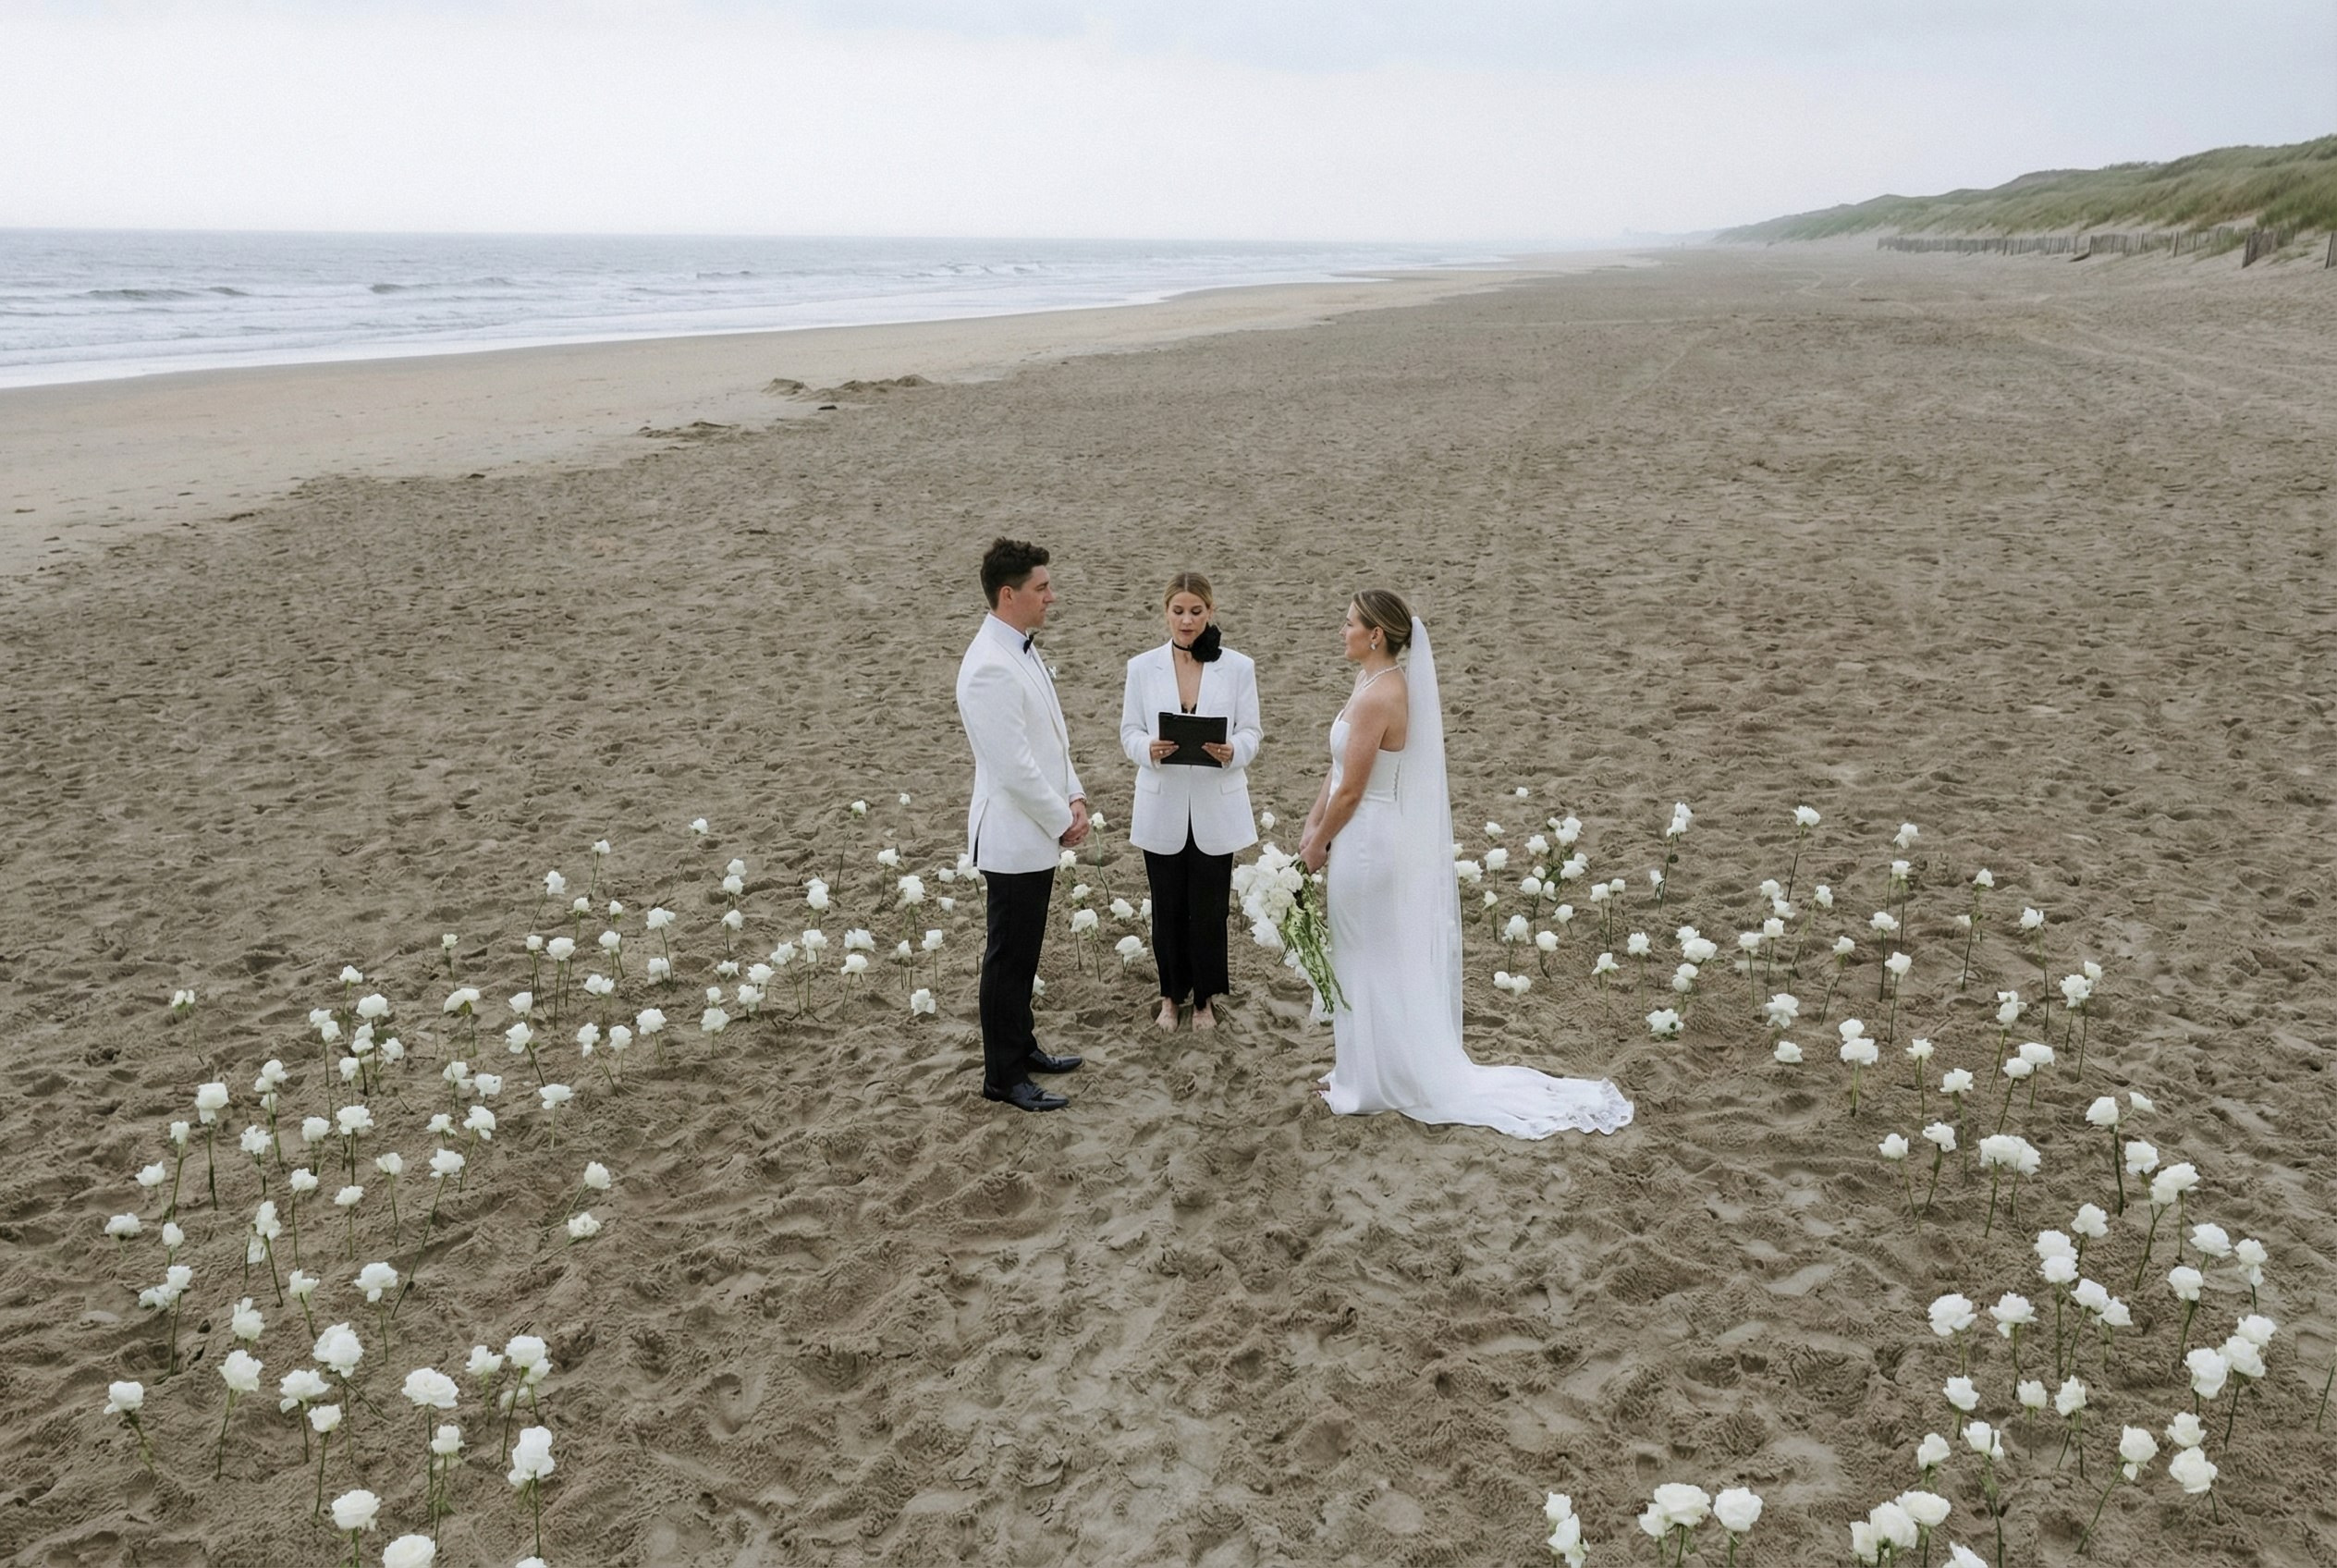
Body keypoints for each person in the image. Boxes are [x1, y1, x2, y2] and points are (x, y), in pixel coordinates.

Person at [1296, 589, 1633, 1140]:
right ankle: (1360, 1071)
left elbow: (1354, 789)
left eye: (1350, 623)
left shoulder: (1381, 695)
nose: (1343, 630)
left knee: (1367, 954)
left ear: (1376, 634)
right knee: (1358, 953)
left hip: (1366, 839)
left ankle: (1371, 1083)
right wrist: (1312, 825)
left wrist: (1317, 846)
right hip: (1352, 832)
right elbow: (1335, 771)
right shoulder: (1368, 682)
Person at [955, 538, 1088, 1113]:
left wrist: (1076, 793)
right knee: (1008, 957)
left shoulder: (1020, 648)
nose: (1050, 598)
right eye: (1042, 589)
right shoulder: (988, 666)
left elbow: (1050, 734)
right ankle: (1002, 1075)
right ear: (1008, 596)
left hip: (1036, 828)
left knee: (1025, 953)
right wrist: (1062, 819)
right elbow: (1013, 767)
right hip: (1013, 834)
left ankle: (1022, 1045)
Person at [1119, 571, 1263, 1033]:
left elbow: (1252, 733)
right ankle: (1169, 996)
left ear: (1210, 612)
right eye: (1178, 612)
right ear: (1166, 613)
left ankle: (1204, 1000)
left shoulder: (1238, 667)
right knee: (1166, 908)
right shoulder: (1142, 667)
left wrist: (1232, 751)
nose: (1186, 621)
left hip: (1214, 804)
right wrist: (1148, 750)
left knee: (1209, 910)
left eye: (1196, 612)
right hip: (1162, 802)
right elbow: (1129, 733)